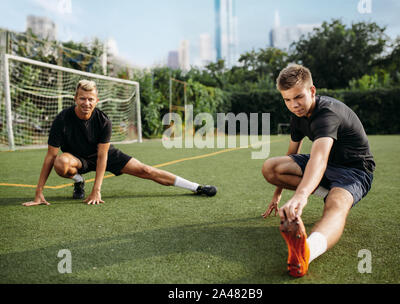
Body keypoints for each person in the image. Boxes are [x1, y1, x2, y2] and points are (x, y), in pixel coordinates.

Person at [22, 80, 217, 207]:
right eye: (82, 98)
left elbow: (102, 156)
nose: (86, 103)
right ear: (75, 98)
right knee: (61, 163)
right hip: (77, 159)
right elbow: (50, 156)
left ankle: (196, 187)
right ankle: (79, 181)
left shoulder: (103, 121)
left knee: (147, 170)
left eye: (90, 99)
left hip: (102, 154)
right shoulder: (62, 119)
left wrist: (97, 190)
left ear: (96, 100)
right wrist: (39, 192)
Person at [261, 64, 375, 277]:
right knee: (271, 167)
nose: (294, 105)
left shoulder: (327, 113)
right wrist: (277, 195)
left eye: (298, 97)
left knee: (337, 205)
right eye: (287, 100)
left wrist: (301, 195)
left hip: (355, 170)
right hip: (326, 166)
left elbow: (319, 158)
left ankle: (307, 252)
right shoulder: (297, 116)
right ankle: (327, 192)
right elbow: (292, 154)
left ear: (312, 91)